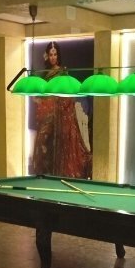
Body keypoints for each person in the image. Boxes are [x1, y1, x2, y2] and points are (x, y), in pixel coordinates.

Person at [30, 41, 92, 178]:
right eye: (51, 55)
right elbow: (42, 94)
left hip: (59, 115)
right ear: (47, 56)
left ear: (58, 56)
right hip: (47, 115)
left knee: (56, 143)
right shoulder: (45, 74)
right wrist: (39, 100)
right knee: (42, 142)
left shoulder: (62, 73)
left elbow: (64, 94)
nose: (53, 57)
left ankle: (56, 174)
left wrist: (51, 102)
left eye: (55, 54)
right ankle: (44, 175)